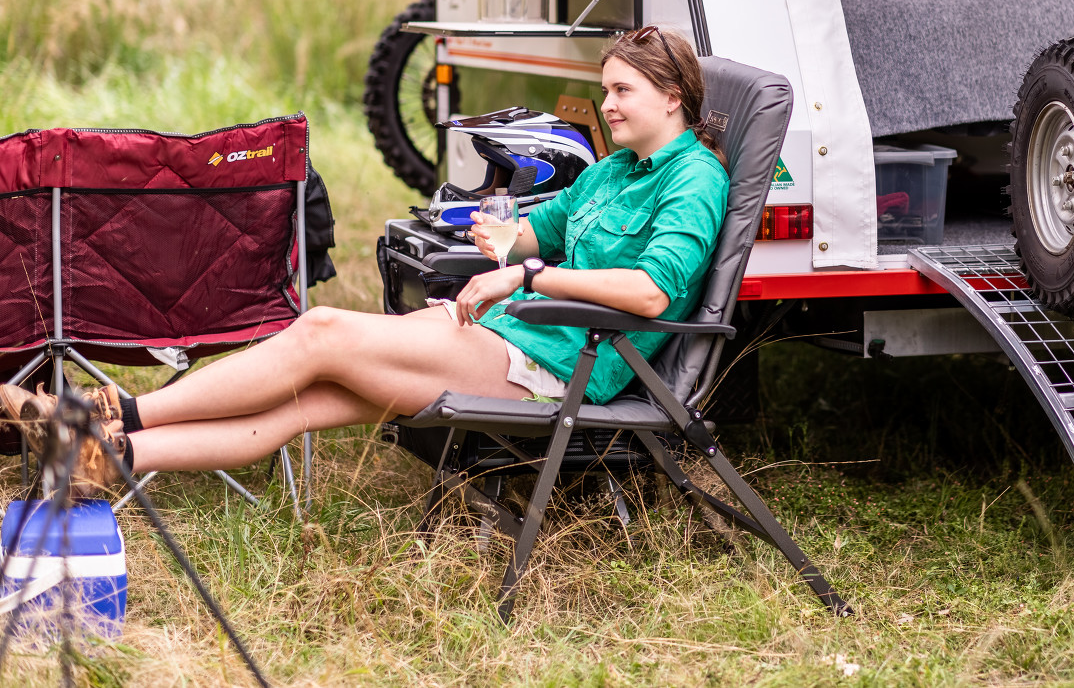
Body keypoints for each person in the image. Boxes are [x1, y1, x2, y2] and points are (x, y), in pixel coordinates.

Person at [0, 27, 729, 494]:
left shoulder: (694, 180)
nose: (607, 105)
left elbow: (649, 293)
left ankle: (109, 412)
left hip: (568, 361)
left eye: (622, 91)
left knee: (321, 332)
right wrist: (503, 232)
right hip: (518, 326)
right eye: (605, 91)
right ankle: (108, 455)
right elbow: (539, 229)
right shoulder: (614, 170)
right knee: (303, 397)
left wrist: (529, 272)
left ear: (672, 97)